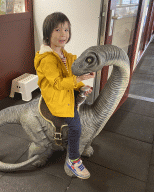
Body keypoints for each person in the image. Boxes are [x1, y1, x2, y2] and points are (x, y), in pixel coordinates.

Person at [34, 12, 95, 179]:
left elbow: (72, 67)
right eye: (57, 30)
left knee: (81, 94)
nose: (63, 34)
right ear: (48, 33)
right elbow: (59, 83)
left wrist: (82, 79)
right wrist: (78, 79)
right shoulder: (47, 59)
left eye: (66, 30)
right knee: (76, 126)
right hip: (56, 95)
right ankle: (73, 160)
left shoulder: (62, 52)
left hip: (65, 89)